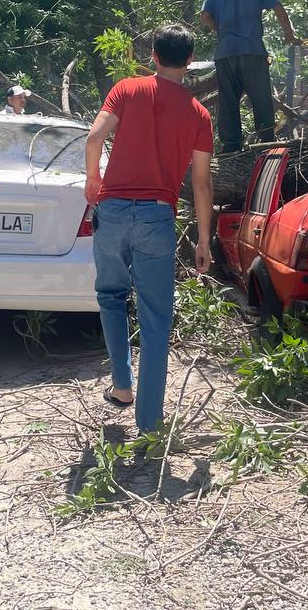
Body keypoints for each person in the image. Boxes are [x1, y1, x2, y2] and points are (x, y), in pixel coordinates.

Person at [83, 24, 214, 434]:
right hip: (157, 216)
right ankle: (150, 422)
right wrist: (204, 240)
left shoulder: (126, 89)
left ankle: (122, 387)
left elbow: (93, 139)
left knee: (110, 296)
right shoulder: (199, 114)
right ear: (189, 62)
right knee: (156, 317)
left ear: (153, 55)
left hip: (114, 210)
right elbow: (201, 182)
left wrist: (93, 179)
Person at [199, 0, 299, 153]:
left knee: (228, 102)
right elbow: (279, 9)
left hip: (226, 53)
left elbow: (205, 16)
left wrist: (219, 28)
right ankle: (266, 145)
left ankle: (231, 148)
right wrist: (289, 35)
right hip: (253, 51)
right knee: (261, 99)